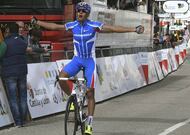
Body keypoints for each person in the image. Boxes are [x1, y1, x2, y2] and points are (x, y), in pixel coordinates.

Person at [30, 2, 144, 135]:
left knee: (90, 93)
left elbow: (112, 28)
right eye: (78, 10)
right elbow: (55, 26)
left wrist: (133, 29)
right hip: (77, 60)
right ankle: (73, 96)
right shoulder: (72, 25)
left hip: (89, 61)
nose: (80, 13)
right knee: (61, 77)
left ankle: (89, 122)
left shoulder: (94, 26)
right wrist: (38, 22)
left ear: (87, 14)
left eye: (83, 11)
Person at [1, 22, 29, 127]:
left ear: (8, 30)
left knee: (13, 98)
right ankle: (24, 120)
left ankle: (18, 122)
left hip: (9, 73)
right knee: (23, 97)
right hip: (22, 72)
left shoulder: (5, 43)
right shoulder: (23, 42)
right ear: (17, 30)